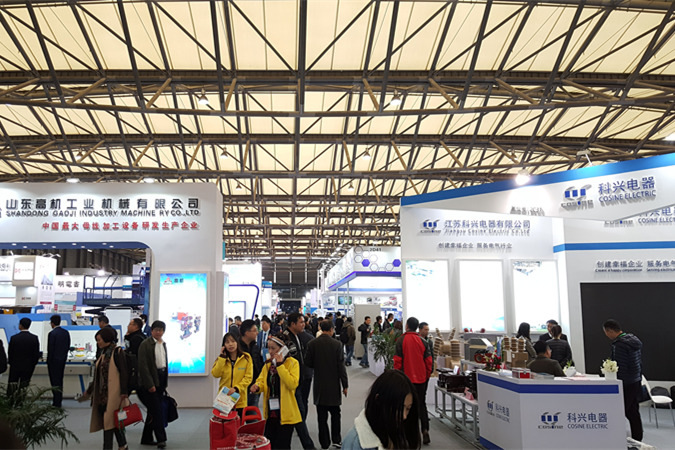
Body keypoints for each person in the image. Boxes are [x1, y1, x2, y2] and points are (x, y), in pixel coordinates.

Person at [342, 369, 420, 450]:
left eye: (408, 409)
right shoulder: (355, 443)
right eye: (398, 409)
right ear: (379, 401)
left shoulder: (399, 428)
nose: (404, 416)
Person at [250, 334, 302, 450]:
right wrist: (257, 387)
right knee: (270, 444)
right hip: (271, 412)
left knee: (283, 446)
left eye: (273, 348)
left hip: (286, 413)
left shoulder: (293, 363)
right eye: (268, 348)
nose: (270, 351)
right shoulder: (268, 364)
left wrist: (280, 365)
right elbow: (261, 380)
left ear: (283, 349)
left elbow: (292, 384)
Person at [83, 326, 129, 450]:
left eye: (99, 340)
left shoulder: (117, 352)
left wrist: (124, 392)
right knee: (113, 422)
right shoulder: (103, 353)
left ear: (107, 338)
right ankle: (123, 445)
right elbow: (98, 376)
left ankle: (108, 447)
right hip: (103, 394)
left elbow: (124, 372)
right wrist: (90, 390)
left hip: (115, 394)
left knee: (108, 422)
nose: (98, 343)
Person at [305, 320, 349, 449]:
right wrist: (345, 385)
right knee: (335, 414)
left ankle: (324, 442)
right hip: (333, 385)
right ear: (331, 329)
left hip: (319, 385)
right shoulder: (337, 344)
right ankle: (336, 439)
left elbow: (308, 363)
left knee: (321, 416)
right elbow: (341, 367)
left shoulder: (312, 344)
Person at [393, 317, 432, 445]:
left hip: (406, 379)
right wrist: (427, 375)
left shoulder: (401, 340)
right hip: (421, 379)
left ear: (407, 326)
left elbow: (397, 360)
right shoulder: (423, 341)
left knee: (406, 405)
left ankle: (409, 434)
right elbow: (429, 361)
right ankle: (425, 429)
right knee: (421, 404)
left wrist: (397, 376)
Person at [603, 319, 643, 441]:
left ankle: (616, 439)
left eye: (606, 332)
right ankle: (637, 438)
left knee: (620, 411)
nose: (606, 335)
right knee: (632, 411)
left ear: (610, 331)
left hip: (626, 383)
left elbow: (620, 366)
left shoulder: (619, 345)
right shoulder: (633, 340)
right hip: (636, 379)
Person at [284, 312, 316, 450]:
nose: (304, 324)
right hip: (291, 381)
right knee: (298, 411)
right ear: (292, 324)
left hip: (301, 377)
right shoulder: (285, 338)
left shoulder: (298, 336)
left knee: (300, 409)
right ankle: (308, 445)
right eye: (301, 322)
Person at [138, 320, 168, 448]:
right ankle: (161, 439)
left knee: (153, 410)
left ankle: (146, 437)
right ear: (151, 331)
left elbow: (163, 363)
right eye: (156, 330)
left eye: (161, 330)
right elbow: (143, 366)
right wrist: (150, 384)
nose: (158, 332)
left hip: (161, 379)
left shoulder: (163, 344)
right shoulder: (145, 344)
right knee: (157, 411)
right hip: (150, 380)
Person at [212, 332, 253, 414]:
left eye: (233, 341)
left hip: (240, 398)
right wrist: (222, 358)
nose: (230, 344)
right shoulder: (221, 359)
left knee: (239, 421)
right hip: (224, 398)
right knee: (224, 421)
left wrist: (236, 388)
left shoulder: (246, 357)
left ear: (237, 342)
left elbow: (248, 378)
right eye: (227, 342)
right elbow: (216, 374)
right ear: (224, 346)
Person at [7, 317, 41, 400]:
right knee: (24, 386)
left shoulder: (14, 338)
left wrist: (11, 363)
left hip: (15, 366)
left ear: (20, 325)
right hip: (28, 366)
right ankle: (21, 402)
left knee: (12, 384)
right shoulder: (34, 338)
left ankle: (11, 401)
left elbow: (10, 352)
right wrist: (33, 364)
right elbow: (36, 354)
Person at [47, 314, 71, 407]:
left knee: (54, 381)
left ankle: (56, 401)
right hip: (62, 360)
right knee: (60, 380)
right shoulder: (65, 333)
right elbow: (67, 346)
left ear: (52, 323)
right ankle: (59, 400)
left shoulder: (52, 334)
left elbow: (50, 349)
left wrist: (48, 361)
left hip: (53, 362)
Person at [238, 319, 263, 407]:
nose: (257, 333)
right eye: (255, 330)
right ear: (247, 333)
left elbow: (259, 364)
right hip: (240, 388)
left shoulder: (255, 346)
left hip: (254, 386)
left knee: (253, 412)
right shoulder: (237, 348)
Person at [124, 318, 147, 394]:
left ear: (136, 326)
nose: (128, 326)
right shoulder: (142, 336)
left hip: (135, 369)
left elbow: (132, 353)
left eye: (130, 324)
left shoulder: (136, 338)